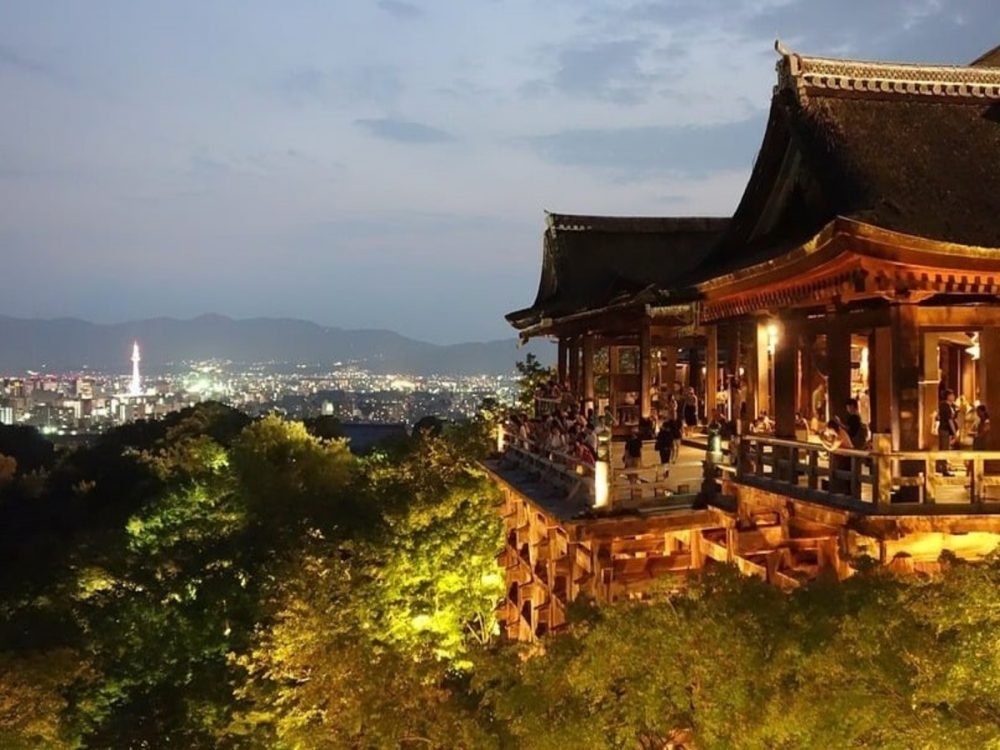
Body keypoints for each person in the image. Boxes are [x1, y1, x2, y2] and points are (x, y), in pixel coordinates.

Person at [820, 417, 853, 494]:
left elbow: (832, 448)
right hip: (843, 457)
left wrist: (822, 442)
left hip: (847, 457)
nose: (827, 431)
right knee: (842, 476)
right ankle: (842, 491)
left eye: (828, 429)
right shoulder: (838, 433)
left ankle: (847, 493)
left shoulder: (840, 435)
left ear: (832, 429)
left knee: (846, 477)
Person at [937, 389, 959, 475]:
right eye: (952, 395)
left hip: (946, 430)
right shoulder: (945, 406)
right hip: (945, 429)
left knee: (945, 448)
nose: (953, 396)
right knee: (944, 449)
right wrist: (954, 433)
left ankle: (943, 466)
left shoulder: (950, 405)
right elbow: (949, 420)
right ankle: (943, 468)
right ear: (948, 396)